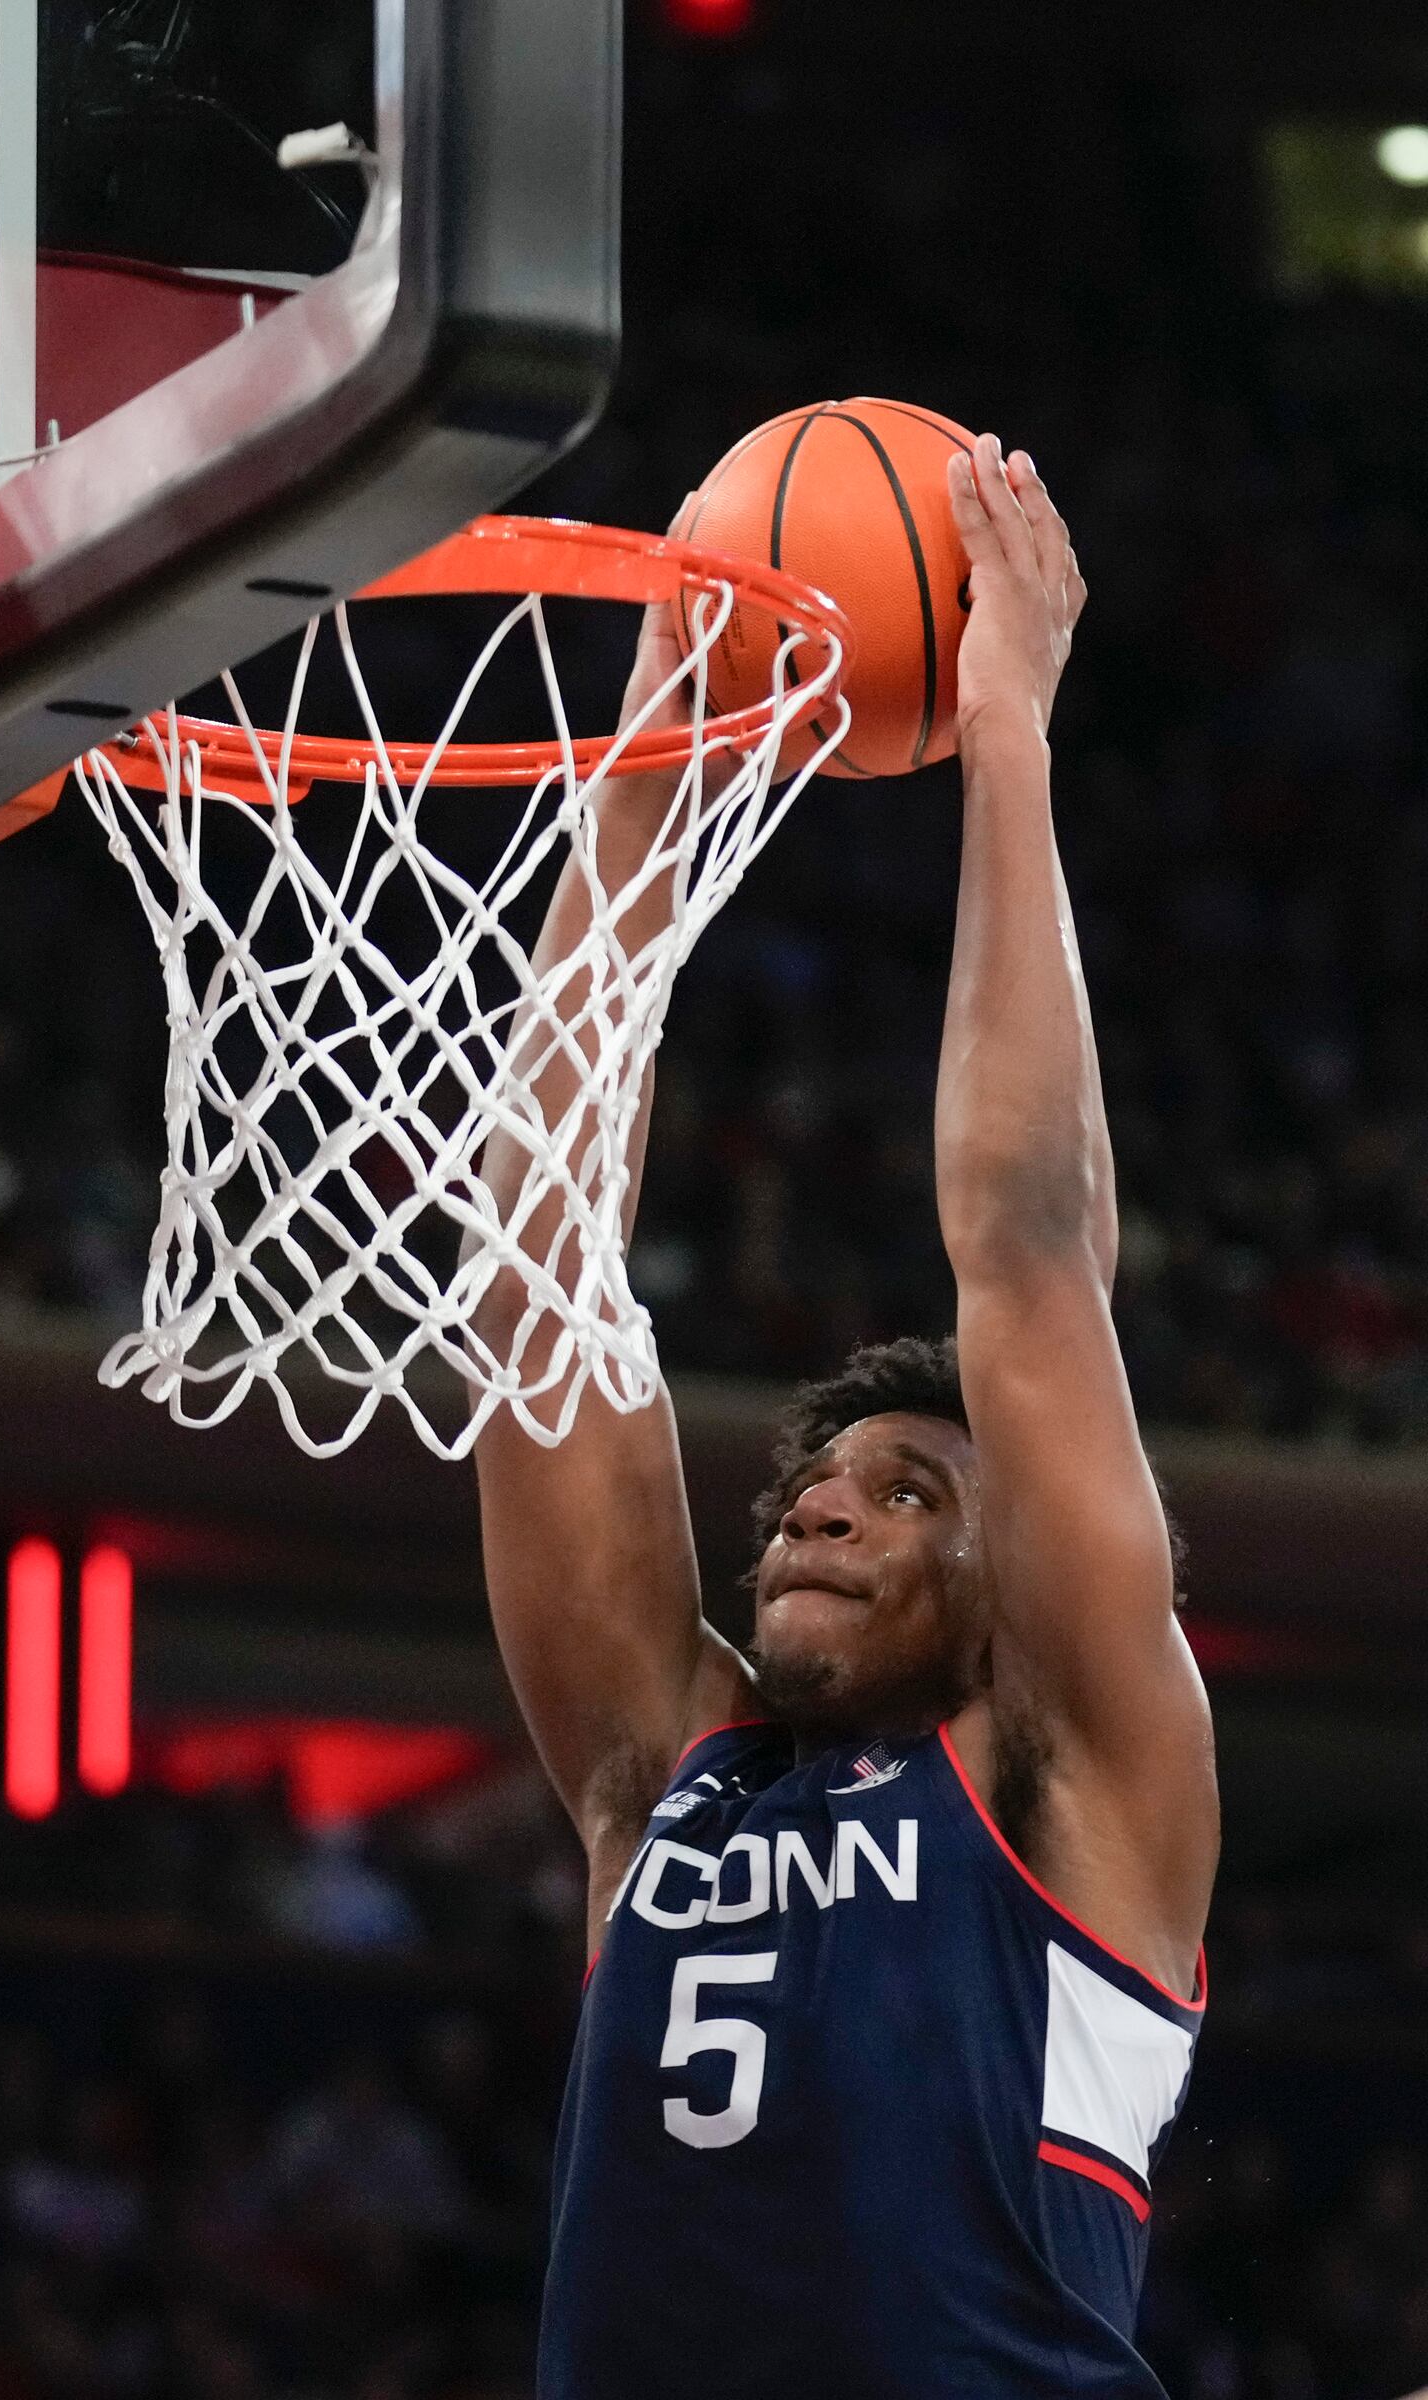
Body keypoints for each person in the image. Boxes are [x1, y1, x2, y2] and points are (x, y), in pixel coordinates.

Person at [468, 434, 1219, 2399]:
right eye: (813, 1480)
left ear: (1011, 1584)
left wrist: (1005, 744)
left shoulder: (1081, 1786)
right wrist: (643, 754)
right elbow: (538, 1273)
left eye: (900, 1491)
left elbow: (1028, 1246)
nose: (815, 1504)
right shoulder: (666, 1780)